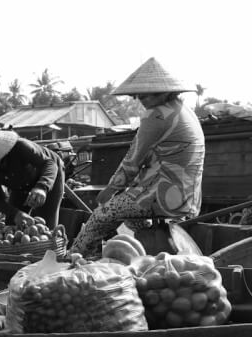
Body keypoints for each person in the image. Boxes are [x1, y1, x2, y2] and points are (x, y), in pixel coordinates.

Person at [70, 57, 205, 257]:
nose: (141, 99)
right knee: (130, 217)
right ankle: (150, 251)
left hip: (163, 193)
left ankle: (74, 258)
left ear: (166, 92)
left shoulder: (157, 116)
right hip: (186, 196)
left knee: (102, 215)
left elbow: (133, 160)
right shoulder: (183, 110)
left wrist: (110, 190)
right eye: (139, 95)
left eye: (147, 95)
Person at [0, 130, 64, 229]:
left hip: (49, 172)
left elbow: (50, 164)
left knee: (46, 226)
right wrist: (15, 213)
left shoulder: (21, 147)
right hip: (20, 184)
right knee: (11, 225)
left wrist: (42, 187)